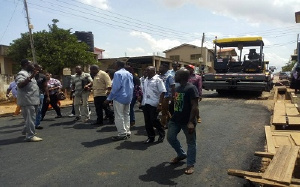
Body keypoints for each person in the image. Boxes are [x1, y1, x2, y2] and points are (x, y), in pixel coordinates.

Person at [167, 68, 199, 175]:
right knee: (170, 137)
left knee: (191, 142)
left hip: (187, 121)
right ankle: (181, 154)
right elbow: (176, 103)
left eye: (176, 74)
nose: (174, 76)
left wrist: (191, 122)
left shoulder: (191, 88)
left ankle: (190, 164)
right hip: (176, 119)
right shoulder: (177, 88)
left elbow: (195, 106)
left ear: (181, 76)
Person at [105, 61, 134, 141]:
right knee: (126, 115)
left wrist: (109, 99)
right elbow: (132, 86)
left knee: (119, 116)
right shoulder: (129, 73)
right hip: (128, 97)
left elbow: (116, 88)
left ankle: (122, 133)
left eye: (114, 64)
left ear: (117, 65)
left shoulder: (117, 74)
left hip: (119, 98)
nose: (114, 66)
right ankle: (127, 131)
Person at [16, 59, 42, 142]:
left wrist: (33, 75)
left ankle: (26, 131)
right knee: (31, 118)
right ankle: (30, 136)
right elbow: (20, 85)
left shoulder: (30, 73)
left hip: (33, 99)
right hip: (28, 100)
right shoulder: (21, 74)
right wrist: (31, 76)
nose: (33, 66)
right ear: (26, 65)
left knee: (30, 118)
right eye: (31, 64)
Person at [141, 66, 166, 144]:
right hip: (145, 102)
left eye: (148, 70)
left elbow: (162, 92)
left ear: (153, 71)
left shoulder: (158, 80)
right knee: (147, 121)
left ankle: (161, 133)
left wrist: (160, 103)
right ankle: (151, 137)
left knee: (153, 120)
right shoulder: (145, 80)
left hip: (154, 103)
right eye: (146, 70)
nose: (146, 72)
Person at [159, 63, 175, 129]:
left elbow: (173, 86)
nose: (159, 69)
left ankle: (163, 124)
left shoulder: (169, 76)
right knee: (165, 110)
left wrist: (171, 98)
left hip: (166, 96)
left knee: (164, 111)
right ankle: (172, 121)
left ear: (166, 68)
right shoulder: (158, 76)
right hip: (159, 96)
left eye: (161, 67)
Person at [34, 64, 49, 129]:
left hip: (40, 94)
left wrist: (48, 96)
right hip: (31, 95)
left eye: (41, 68)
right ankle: (30, 124)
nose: (40, 69)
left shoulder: (43, 76)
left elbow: (45, 86)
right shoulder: (30, 76)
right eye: (39, 68)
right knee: (32, 110)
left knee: (39, 109)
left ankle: (37, 124)